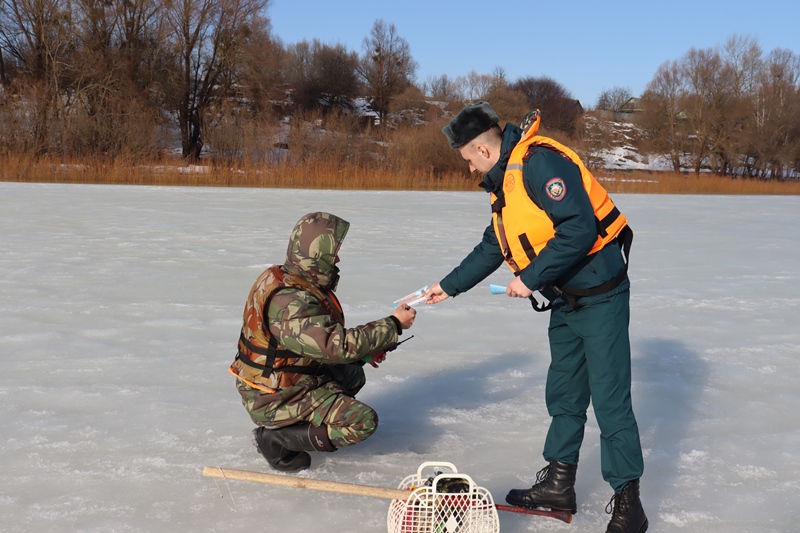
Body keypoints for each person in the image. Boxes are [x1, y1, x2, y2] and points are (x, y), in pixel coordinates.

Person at [424, 102, 647, 533]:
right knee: (564, 393)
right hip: (565, 299)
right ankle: (559, 485)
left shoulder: (539, 163)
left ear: (483, 150)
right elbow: (494, 245)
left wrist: (529, 278)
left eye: (468, 159)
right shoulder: (504, 185)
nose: (469, 168)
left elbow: (579, 228)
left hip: (601, 297)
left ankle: (629, 505)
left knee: (610, 401)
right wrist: (448, 286)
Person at [230, 212, 416, 472]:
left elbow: (316, 342)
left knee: (351, 375)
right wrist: (393, 325)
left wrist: (366, 353)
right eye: (333, 253)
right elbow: (334, 346)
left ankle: (298, 425)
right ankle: (278, 439)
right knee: (363, 422)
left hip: (279, 382)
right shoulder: (291, 300)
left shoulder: (286, 277)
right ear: (317, 254)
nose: (337, 259)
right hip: (271, 397)